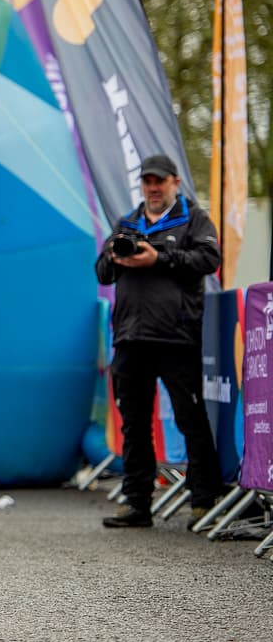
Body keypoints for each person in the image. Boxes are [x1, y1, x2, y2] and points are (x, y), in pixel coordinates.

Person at [96, 154, 224, 529]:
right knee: (134, 424)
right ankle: (136, 504)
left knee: (190, 418)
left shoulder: (194, 218)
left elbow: (208, 258)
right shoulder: (128, 222)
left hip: (176, 336)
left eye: (160, 182)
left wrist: (159, 258)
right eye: (147, 182)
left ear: (175, 183)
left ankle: (204, 502)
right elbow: (102, 272)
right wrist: (116, 254)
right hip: (131, 337)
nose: (153, 188)